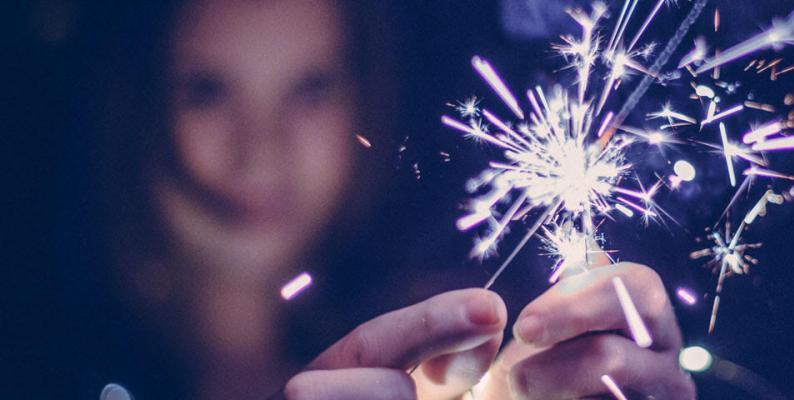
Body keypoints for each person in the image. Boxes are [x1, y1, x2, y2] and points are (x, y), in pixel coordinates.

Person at [85, 0, 694, 399]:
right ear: (139, 107)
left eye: (310, 88)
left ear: (365, 101)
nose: (261, 152)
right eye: (207, 90)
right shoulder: (40, 356)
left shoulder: (451, 361)